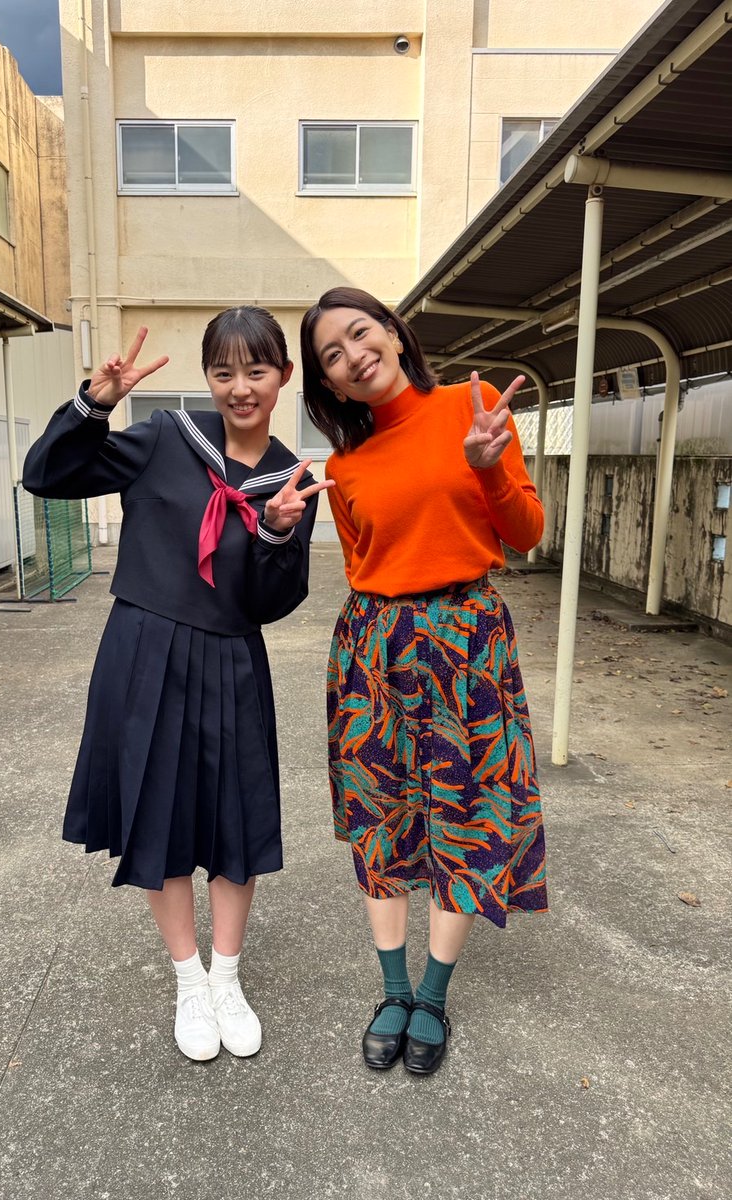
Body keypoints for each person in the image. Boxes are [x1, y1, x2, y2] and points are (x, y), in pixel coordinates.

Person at [23, 308, 332, 1062]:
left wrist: (276, 531)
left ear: (283, 377)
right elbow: (47, 474)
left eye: (256, 371)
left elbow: (272, 602)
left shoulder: (292, 480)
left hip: (232, 659)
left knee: (235, 821)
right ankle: (189, 981)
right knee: (156, 814)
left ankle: (227, 978)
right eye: (224, 372)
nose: (240, 387)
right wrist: (93, 405)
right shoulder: (166, 438)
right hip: (144, 651)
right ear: (208, 379)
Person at [300, 287, 547, 1075]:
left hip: (468, 640)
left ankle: (433, 996)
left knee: (468, 811)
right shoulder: (344, 466)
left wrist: (488, 469)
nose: (353, 355)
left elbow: (526, 533)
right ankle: (394, 990)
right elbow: (361, 563)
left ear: (395, 334)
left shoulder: (471, 409)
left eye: (360, 332)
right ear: (329, 384)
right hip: (375, 647)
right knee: (381, 814)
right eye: (332, 355)